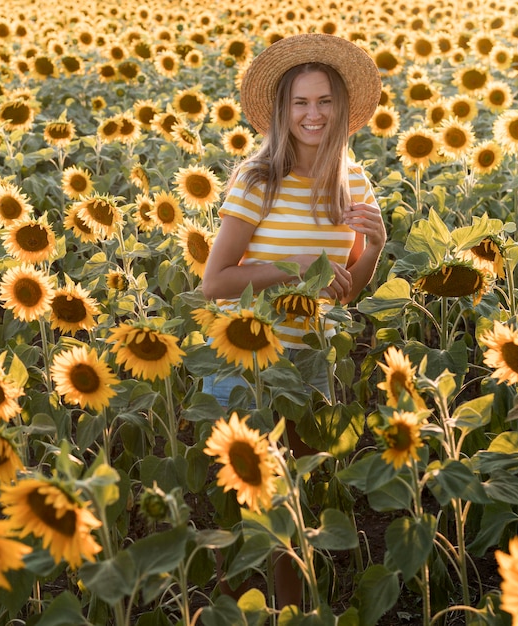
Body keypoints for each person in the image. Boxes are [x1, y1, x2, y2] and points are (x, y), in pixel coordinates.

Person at [201, 32, 385, 609]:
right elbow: (216, 281)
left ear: (342, 109)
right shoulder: (259, 179)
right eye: (301, 103)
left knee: (294, 506)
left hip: (310, 363)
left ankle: (291, 617)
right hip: (248, 358)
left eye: (325, 101)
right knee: (248, 507)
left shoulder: (351, 180)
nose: (313, 114)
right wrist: (293, 264)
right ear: (283, 110)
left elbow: (345, 293)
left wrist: (374, 246)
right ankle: (238, 616)